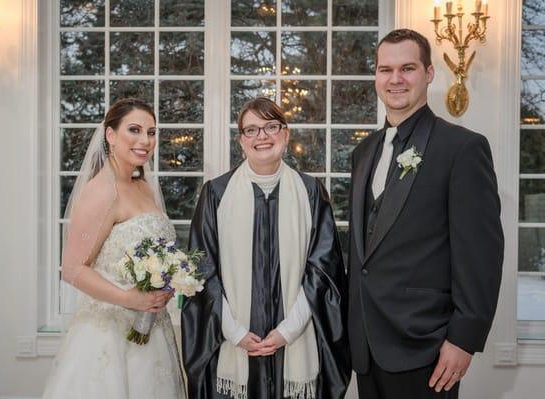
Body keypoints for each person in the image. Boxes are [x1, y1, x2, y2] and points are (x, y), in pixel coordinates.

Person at [347, 29, 504, 399]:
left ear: (429, 74)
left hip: (427, 346)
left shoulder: (462, 148)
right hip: (365, 345)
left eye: (407, 68)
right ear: (376, 77)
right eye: (385, 69)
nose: (395, 79)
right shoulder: (363, 152)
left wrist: (463, 340)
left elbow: (480, 255)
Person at [181, 97, 351, 399]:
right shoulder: (216, 194)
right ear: (241, 140)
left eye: (271, 126)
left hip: (297, 340)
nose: (262, 137)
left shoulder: (311, 192)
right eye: (252, 130)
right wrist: (235, 332)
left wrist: (287, 331)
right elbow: (202, 271)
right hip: (232, 343)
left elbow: (324, 271)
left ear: (285, 134)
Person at [42, 99, 185, 399]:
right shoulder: (100, 191)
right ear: (110, 135)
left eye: (151, 132)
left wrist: (166, 284)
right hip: (109, 333)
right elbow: (72, 269)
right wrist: (128, 298)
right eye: (134, 130)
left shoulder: (143, 187)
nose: (145, 141)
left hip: (153, 330)